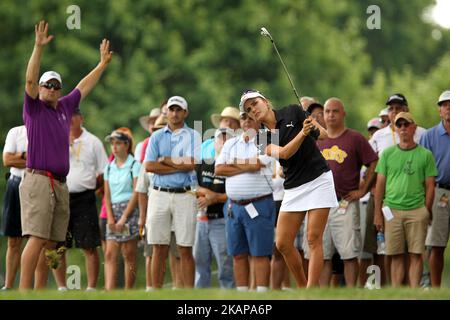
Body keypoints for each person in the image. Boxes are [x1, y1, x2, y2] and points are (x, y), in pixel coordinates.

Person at [19, 20, 112, 290]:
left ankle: (44, 290)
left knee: (54, 241)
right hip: (38, 180)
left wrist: (102, 65)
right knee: (37, 238)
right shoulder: (34, 109)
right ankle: (25, 293)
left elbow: (84, 85)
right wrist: (38, 48)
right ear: (40, 88)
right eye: (47, 84)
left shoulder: (64, 107)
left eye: (55, 85)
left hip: (60, 183)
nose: (50, 88)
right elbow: (29, 79)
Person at [240, 89, 337, 288]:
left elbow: (324, 135)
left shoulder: (293, 111)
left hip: (318, 179)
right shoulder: (262, 136)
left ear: (266, 102)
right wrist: (303, 132)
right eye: (249, 109)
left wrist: (311, 124)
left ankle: (310, 291)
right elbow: (284, 154)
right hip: (294, 187)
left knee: (313, 238)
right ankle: (303, 286)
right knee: (282, 243)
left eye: (255, 104)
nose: (253, 110)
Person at [40, 108, 108, 291]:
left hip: (85, 198)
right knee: (58, 243)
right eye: (66, 117)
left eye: (73, 116)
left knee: (89, 244)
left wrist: (92, 185)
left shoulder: (93, 141)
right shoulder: (56, 140)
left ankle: (91, 288)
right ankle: (62, 287)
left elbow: (103, 172)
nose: (69, 120)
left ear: (81, 119)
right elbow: (47, 165)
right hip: (61, 195)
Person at [313, 98, 378, 287]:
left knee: (350, 254)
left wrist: (363, 189)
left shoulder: (355, 138)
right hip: (321, 205)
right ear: (323, 115)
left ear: (343, 114)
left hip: (345, 203)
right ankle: (321, 295)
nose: (331, 115)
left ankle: (351, 292)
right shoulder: (316, 141)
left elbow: (373, 162)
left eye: (335, 111)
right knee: (323, 254)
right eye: (327, 111)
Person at [374, 112, 437, 288]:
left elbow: (430, 185)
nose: (403, 129)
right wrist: (378, 213)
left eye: (406, 125)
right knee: (395, 255)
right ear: (395, 129)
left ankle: (414, 292)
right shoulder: (387, 154)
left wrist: (426, 209)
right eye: (399, 125)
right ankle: (397, 293)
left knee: (416, 254)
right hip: (391, 210)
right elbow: (380, 185)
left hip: (417, 209)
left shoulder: (425, 155)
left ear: (413, 128)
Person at [144, 95, 201, 289]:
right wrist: (178, 164)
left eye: (178, 110)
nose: (174, 113)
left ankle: (188, 295)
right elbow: (150, 166)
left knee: (185, 248)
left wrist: (165, 160)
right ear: (166, 112)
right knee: (158, 247)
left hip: (184, 195)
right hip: (159, 194)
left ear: (185, 113)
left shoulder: (194, 135)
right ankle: (155, 291)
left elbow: (192, 163)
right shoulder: (156, 136)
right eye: (171, 109)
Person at [215, 112, 276, 292]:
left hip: (260, 204)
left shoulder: (267, 138)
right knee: (238, 253)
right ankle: (242, 295)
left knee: (260, 253)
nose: (247, 121)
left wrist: (233, 163)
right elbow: (219, 168)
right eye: (244, 118)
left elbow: (258, 164)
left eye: (251, 118)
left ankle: (262, 294)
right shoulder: (230, 142)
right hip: (235, 207)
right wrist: (247, 165)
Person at [194, 128, 235, 289]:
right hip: (201, 220)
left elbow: (233, 192)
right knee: (200, 261)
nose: (224, 142)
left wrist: (215, 198)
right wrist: (207, 194)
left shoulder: (234, 167)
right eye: (220, 139)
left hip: (222, 220)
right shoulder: (204, 163)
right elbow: (192, 185)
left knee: (225, 263)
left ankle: (229, 296)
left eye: (227, 139)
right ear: (215, 142)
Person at [419, 90, 450, 287]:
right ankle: (436, 289)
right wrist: (426, 202)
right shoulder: (429, 136)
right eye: (445, 105)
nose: (449, 109)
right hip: (439, 192)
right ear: (439, 110)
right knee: (436, 245)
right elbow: (422, 172)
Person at [103, 128, 141, 290]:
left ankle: (128, 291)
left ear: (127, 145)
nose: (114, 147)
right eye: (112, 143)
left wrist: (124, 217)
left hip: (129, 210)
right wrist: (111, 218)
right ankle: (109, 290)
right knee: (110, 253)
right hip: (114, 211)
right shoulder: (109, 167)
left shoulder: (134, 165)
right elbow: (107, 195)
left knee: (128, 253)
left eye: (118, 143)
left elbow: (136, 192)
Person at [1, 125, 28, 290]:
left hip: (38, 184)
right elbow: (7, 160)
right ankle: (9, 286)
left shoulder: (47, 131)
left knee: (37, 240)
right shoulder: (15, 132)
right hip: (16, 184)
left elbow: (44, 161)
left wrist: (21, 157)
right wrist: (27, 156)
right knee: (13, 239)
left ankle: (27, 286)